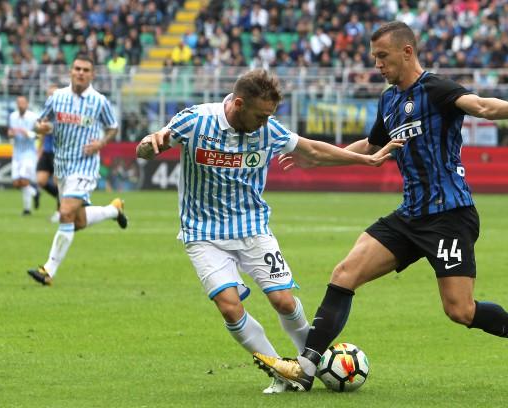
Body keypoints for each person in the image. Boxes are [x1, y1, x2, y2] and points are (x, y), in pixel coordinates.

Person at [253, 21, 508, 392]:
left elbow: (479, 105)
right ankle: (305, 367)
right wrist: (317, 159)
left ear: (407, 52)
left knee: (460, 310)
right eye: (374, 57)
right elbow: (371, 145)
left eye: (383, 56)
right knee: (345, 273)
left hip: (449, 217)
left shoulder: (436, 88)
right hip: (410, 215)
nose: (377, 64)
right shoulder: (389, 100)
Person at [135, 69, 402, 394]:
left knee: (284, 302)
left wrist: (365, 160)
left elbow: (313, 150)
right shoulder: (196, 121)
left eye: (269, 115)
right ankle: (284, 372)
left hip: (252, 229)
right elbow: (149, 144)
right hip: (202, 233)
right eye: (260, 115)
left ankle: (310, 363)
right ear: (238, 103)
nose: (265, 122)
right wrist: (149, 146)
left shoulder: (268, 129)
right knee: (229, 306)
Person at [27, 54, 128, 286]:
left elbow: (113, 127)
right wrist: (41, 128)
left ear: (92, 74)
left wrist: (101, 143)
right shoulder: (57, 97)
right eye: (77, 69)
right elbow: (39, 123)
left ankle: (48, 270)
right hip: (62, 166)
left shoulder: (99, 101)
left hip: (85, 166)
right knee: (77, 221)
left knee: (65, 212)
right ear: (71, 71)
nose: (81, 73)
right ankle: (114, 210)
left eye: (85, 70)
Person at [8, 95, 40, 215]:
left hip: (29, 153)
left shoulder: (33, 117)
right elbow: (10, 131)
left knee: (24, 180)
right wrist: (11, 134)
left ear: (27, 104)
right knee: (16, 183)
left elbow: (39, 135)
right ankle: (35, 193)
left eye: (23, 103)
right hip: (17, 152)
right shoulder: (12, 116)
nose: (21, 105)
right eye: (19, 103)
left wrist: (28, 134)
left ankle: (27, 209)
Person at [35, 84, 60, 222]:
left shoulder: (63, 112)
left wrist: (50, 127)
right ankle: (65, 199)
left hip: (59, 152)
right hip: (46, 151)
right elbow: (41, 132)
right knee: (41, 180)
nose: (51, 97)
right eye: (49, 94)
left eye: (54, 94)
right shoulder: (46, 113)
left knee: (58, 183)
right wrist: (39, 149)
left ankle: (59, 212)